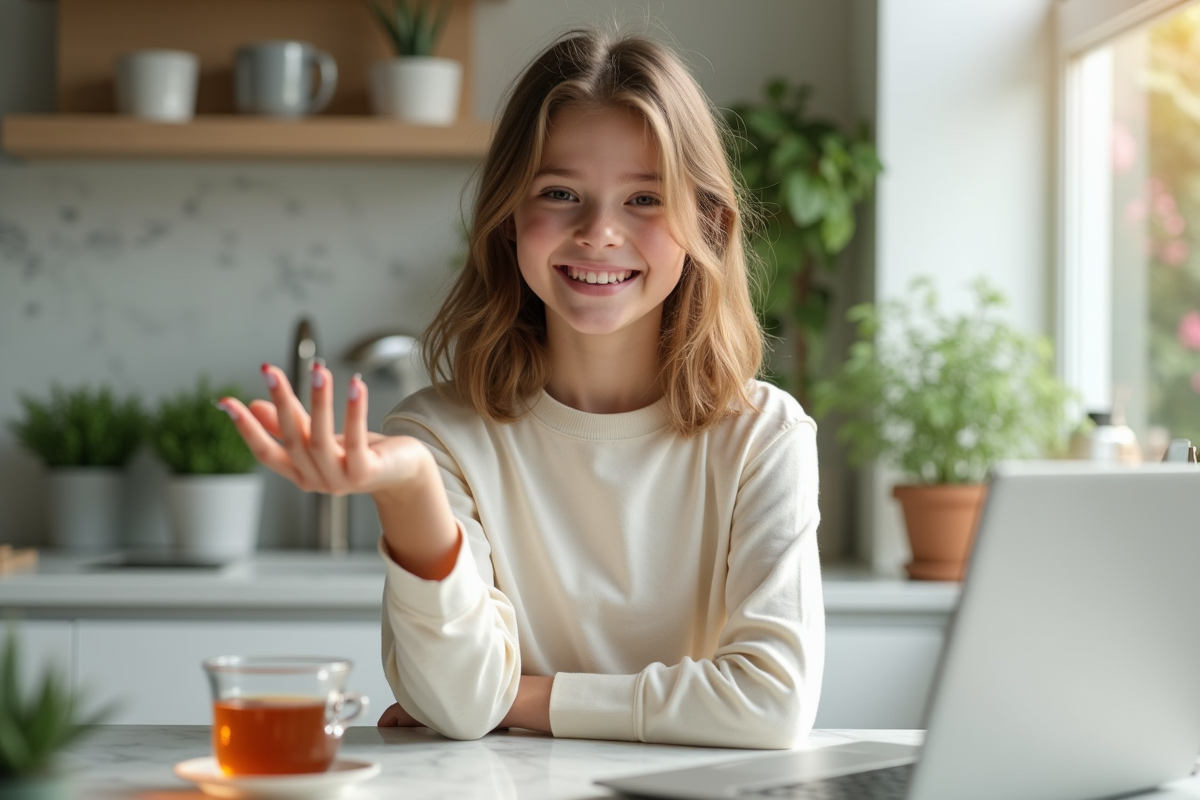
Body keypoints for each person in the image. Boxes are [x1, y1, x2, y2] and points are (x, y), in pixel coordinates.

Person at [218, 28, 824, 749]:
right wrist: (409, 490)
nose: (599, 232)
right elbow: (460, 704)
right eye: (560, 193)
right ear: (508, 223)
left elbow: (771, 703)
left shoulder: (763, 435)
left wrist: (525, 697)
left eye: (644, 199)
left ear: (709, 226)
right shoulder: (436, 437)